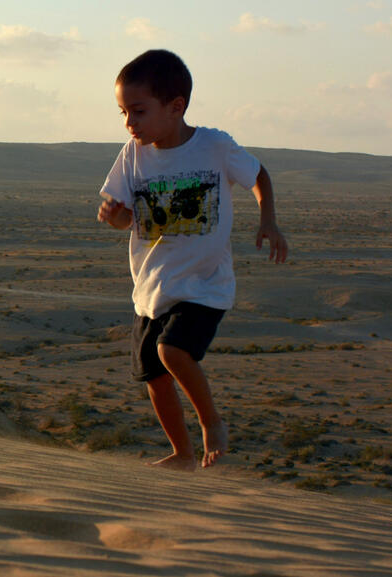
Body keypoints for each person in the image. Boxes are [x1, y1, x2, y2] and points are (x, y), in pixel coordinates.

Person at [97, 49, 288, 470]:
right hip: (151, 288)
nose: (129, 123)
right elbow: (127, 218)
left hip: (204, 286)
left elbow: (258, 174)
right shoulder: (133, 155)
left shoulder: (214, 146)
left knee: (172, 352)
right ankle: (182, 454)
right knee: (153, 375)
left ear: (176, 107)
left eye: (138, 111)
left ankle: (212, 424)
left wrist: (268, 220)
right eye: (123, 112)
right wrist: (116, 217)